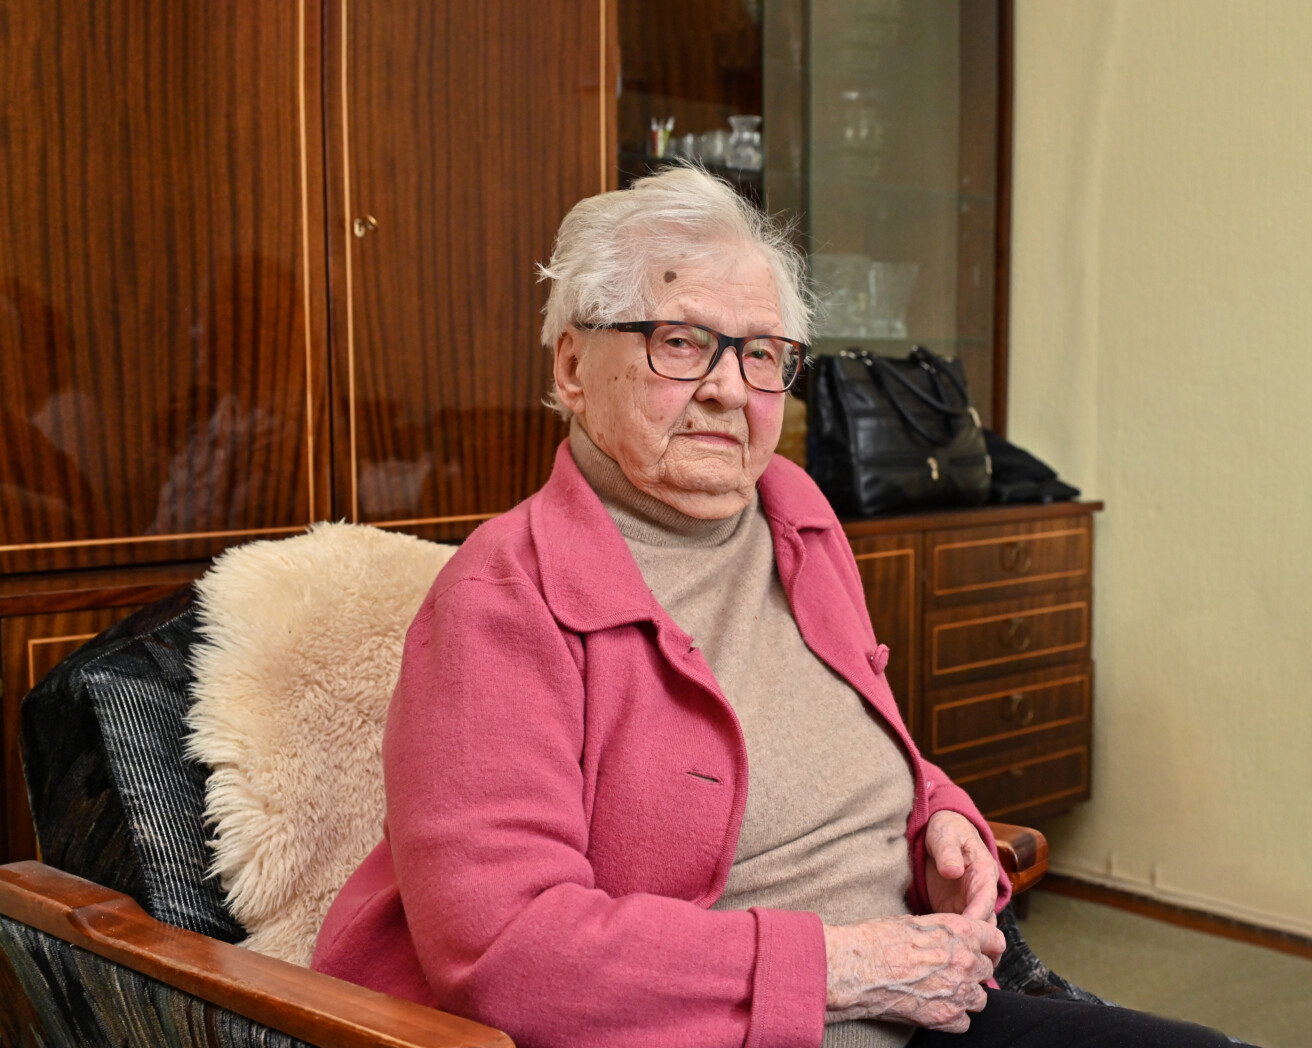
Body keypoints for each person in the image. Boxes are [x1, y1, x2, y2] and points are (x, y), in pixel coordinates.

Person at [312, 167, 1238, 1048]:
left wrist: (941, 817)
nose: (727, 388)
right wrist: (840, 969)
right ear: (573, 367)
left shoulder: (795, 514)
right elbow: (510, 954)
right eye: (680, 342)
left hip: (923, 1002)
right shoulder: (504, 598)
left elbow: (863, 752)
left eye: (760, 354)